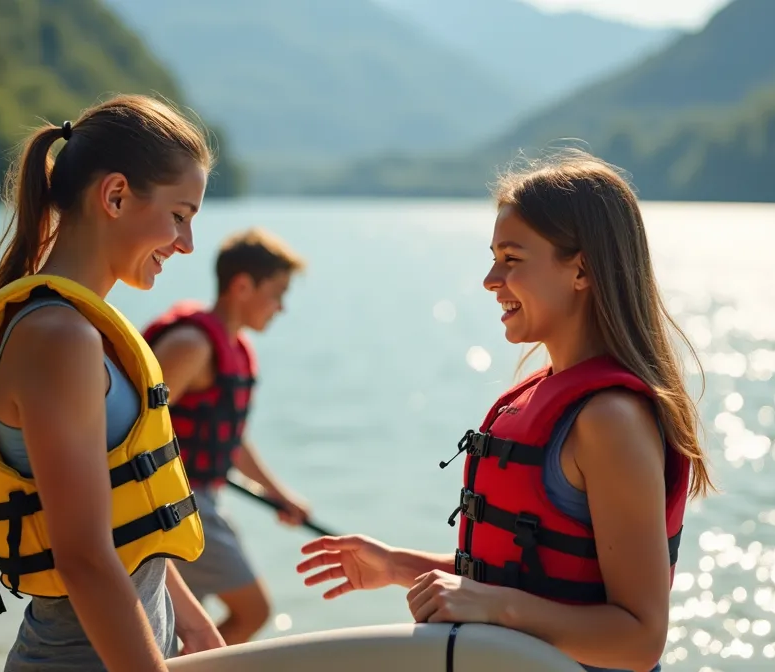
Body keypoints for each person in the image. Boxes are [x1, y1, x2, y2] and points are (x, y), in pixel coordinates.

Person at [296, 150, 715, 672]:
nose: (491, 279)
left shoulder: (611, 420)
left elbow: (639, 639)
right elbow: (525, 575)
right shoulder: (546, 394)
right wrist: (397, 565)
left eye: (512, 259)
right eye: (493, 257)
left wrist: (495, 608)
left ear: (581, 269)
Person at [0, 94, 227, 672]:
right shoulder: (58, 338)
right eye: (179, 215)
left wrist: (193, 622)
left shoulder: (81, 328)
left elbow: (122, 524)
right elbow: (85, 560)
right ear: (116, 195)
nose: (186, 244)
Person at [142, 227, 308, 644]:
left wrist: (278, 495)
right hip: (176, 505)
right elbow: (133, 429)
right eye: (277, 293)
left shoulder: (236, 349)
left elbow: (230, 442)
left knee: (162, 631)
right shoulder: (192, 345)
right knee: (253, 610)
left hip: (205, 501)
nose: (281, 308)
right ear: (241, 286)